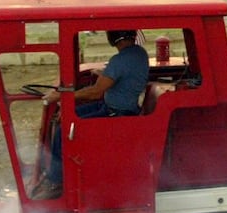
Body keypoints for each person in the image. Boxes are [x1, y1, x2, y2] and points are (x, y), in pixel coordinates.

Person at [31, 30, 149, 199]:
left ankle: (56, 182)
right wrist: (101, 74)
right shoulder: (139, 53)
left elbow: (95, 92)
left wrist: (61, 96)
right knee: (66, 116)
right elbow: (122, 78)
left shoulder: (120, 60)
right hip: (116, 107)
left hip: (116, 115)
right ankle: (56, 172)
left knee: (63, 130)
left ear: (113, 38)